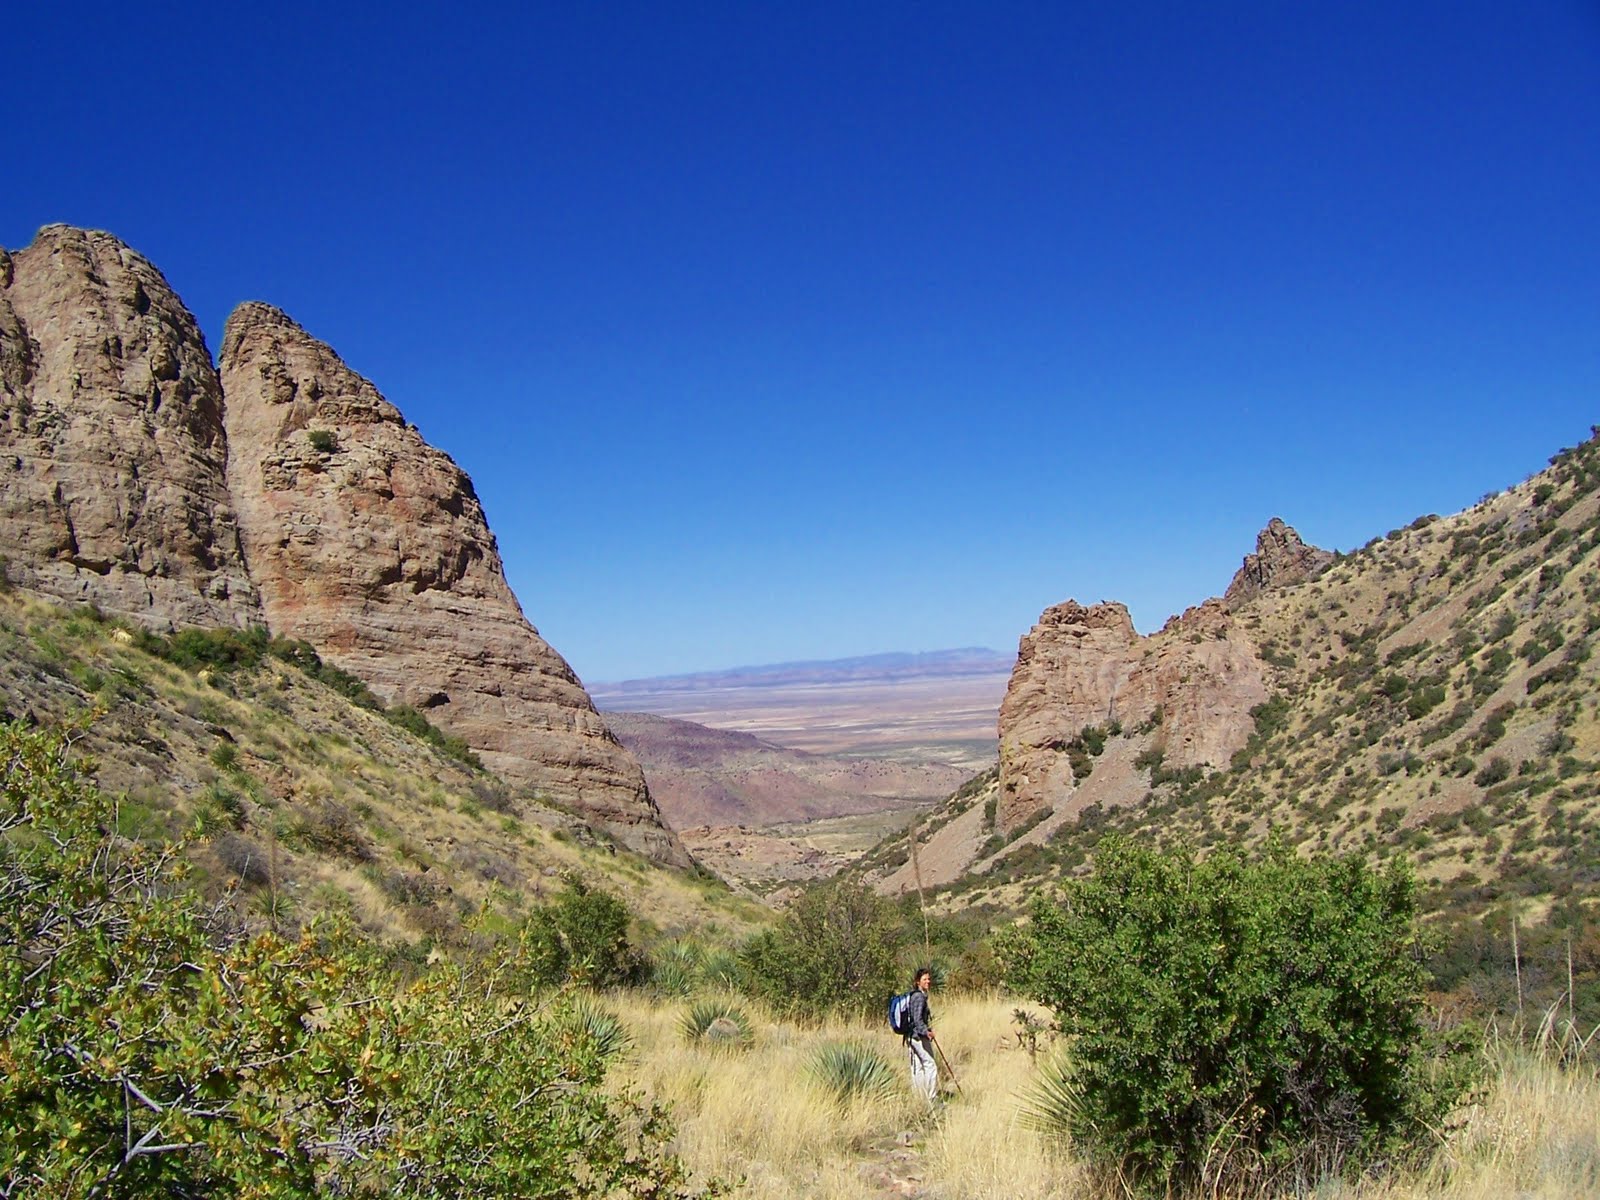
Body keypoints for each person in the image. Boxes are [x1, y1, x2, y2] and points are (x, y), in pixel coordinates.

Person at [903, 966, 938, 1104]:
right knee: (930, 1065)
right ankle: (931, 1098)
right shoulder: (919, 997)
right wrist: (926, 1032)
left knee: (917, 1067)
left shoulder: (914, 995)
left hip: (910, 1036)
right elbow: (917, 1019)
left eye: (929, 979)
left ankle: (919, 1098)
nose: (928, 981)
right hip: (918, 1036)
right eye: (924, 979)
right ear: (918, 982)